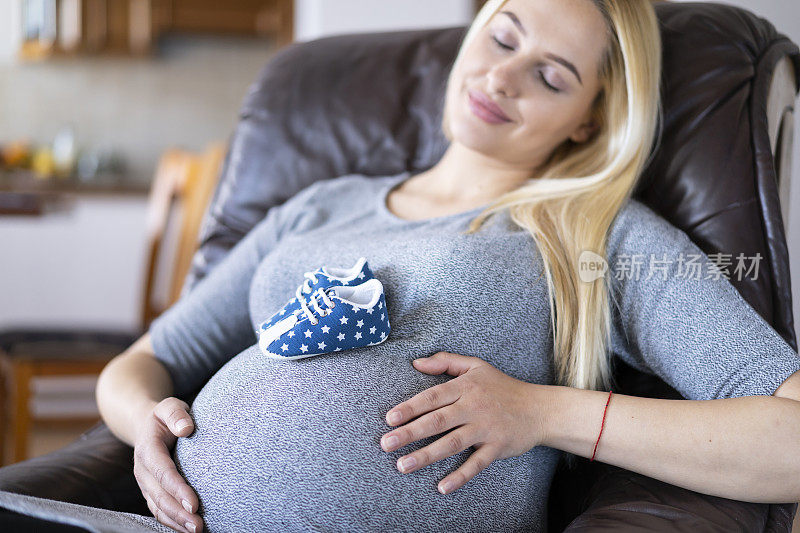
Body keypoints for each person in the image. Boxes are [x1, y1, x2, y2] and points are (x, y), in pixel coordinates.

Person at [1, 0, 799, 532]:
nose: (500, 77)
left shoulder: (594, 231)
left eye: (550, 76)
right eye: (502, 36)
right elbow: (143, 362)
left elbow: (789, 438)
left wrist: (545, 412)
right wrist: (145, 425)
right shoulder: (315, 205)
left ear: (589, 117)